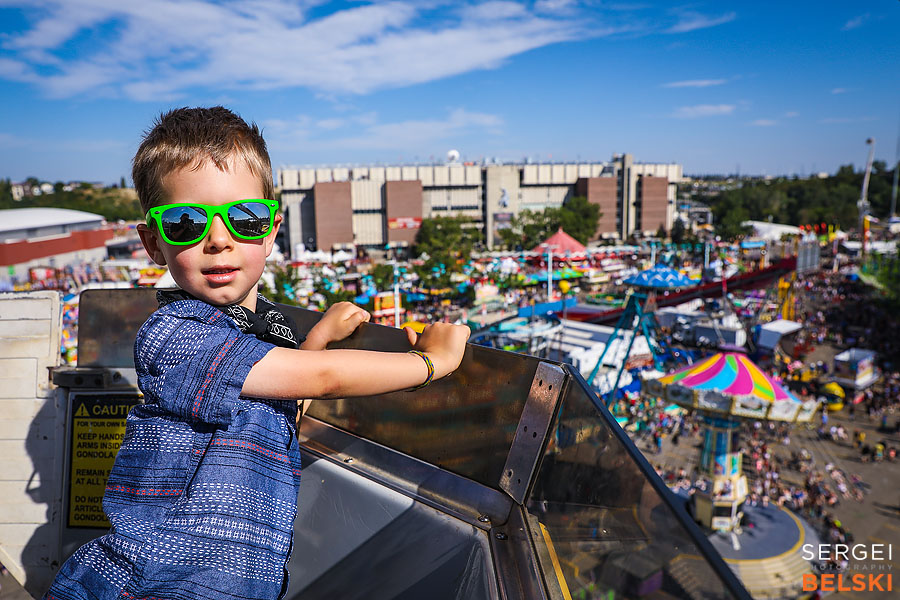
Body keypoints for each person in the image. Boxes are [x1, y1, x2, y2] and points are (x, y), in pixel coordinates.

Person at [44, 107, 469, 600]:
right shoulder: (174, 336)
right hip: (153, 585)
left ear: (270, 232)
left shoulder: (243, 340)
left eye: (244, 218)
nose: (218, 240)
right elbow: (323, 379)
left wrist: (313, 341)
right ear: (152, 242)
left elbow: (282, 400)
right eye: (185, 222)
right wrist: (431, 363)